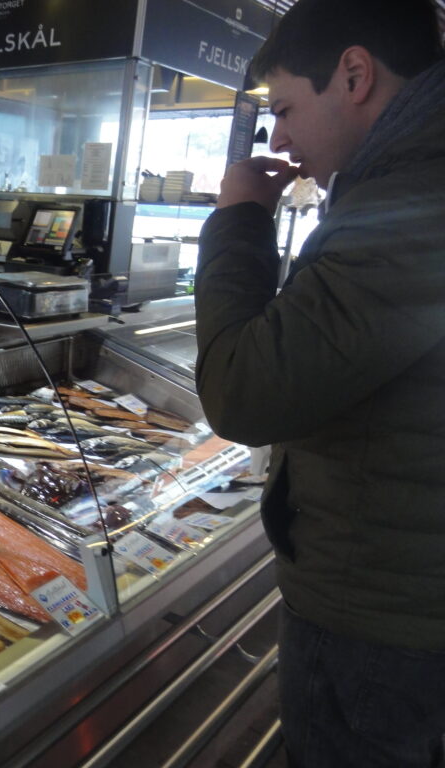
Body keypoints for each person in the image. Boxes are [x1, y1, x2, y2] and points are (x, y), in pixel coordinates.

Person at [193, 1, 445, 766]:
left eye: (288, 107)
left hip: (379, 625)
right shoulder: (401, 185)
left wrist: (238, 218)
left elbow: (242, 392)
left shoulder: (414, 204)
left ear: (356, 75)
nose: (279, 136)